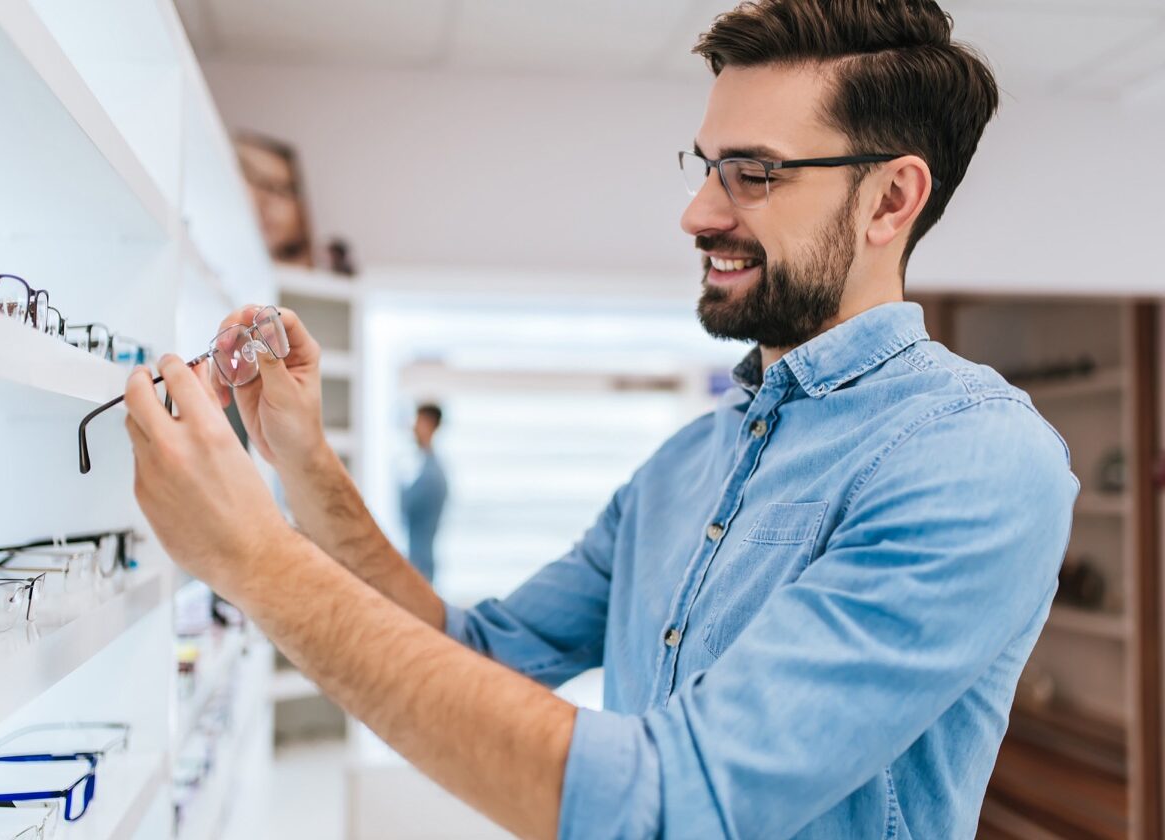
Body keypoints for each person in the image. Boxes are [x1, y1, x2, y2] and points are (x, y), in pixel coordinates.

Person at [121, 2, 1079, 838]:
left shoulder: (976, 460)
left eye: (752, 172)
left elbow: (668, 808)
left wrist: (253, 558)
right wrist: (302, 461)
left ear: (890, 200)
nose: (697, 213)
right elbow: (476, 650)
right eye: (706, 166)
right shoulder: (683, 469)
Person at [400, 403, 449, 584]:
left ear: (428, 424)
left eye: (418, 421)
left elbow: (407, 507)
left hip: (420, 565)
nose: (413, 427)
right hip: (418, 561)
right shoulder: (425, 468)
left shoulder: (432, 475)